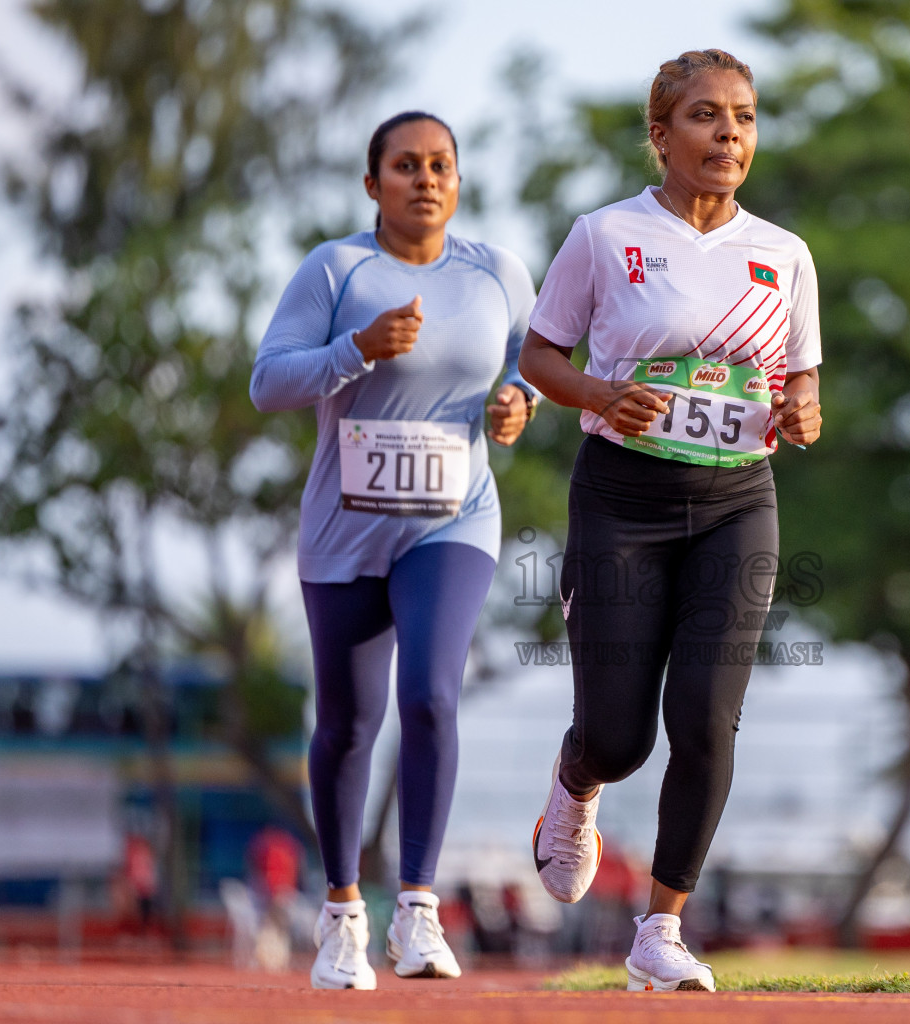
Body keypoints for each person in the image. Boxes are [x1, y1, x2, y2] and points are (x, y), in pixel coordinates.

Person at [518, 49, 822, 993]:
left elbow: (801, 378)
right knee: (620, 737)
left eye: (744, 116)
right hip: (623, 497)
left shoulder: (785, 254)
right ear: (661, 134)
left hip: (738, 501)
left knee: (705, 721)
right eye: (705, 116)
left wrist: (804, 408)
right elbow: (538, 355)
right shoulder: (607, 237)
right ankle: (574, 789)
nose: (729, 133)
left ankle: (661, 928)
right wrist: (603, 392)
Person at [251, 110, 537, 990]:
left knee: (431, 697)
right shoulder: (336, 270)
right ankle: (342, 917)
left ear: (459, 179)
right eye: (406, 166)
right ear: (373, 184)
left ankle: (418, 909)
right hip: (346, 530)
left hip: (452, 521)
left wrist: (518, 402)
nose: (426, 179)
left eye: (441, 164)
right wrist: (355, 350)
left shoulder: (497, 272)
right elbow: (269, 382)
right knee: (346, 724)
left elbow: (532, 359)